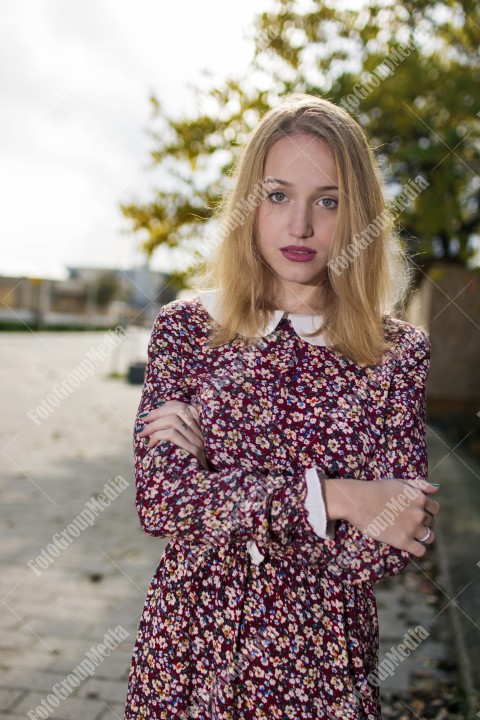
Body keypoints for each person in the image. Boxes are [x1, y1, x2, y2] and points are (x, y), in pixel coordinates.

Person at [124, 93, 440, 720]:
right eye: (277, 196)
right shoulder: (188, 328)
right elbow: (161, 501)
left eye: (329, 200)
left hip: (322, 665)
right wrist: (342, 498)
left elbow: (393, 539)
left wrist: (217, 486)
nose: (300, 226)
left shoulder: (396, 352)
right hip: (188, 651)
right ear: (249, 203)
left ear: (359, 217)